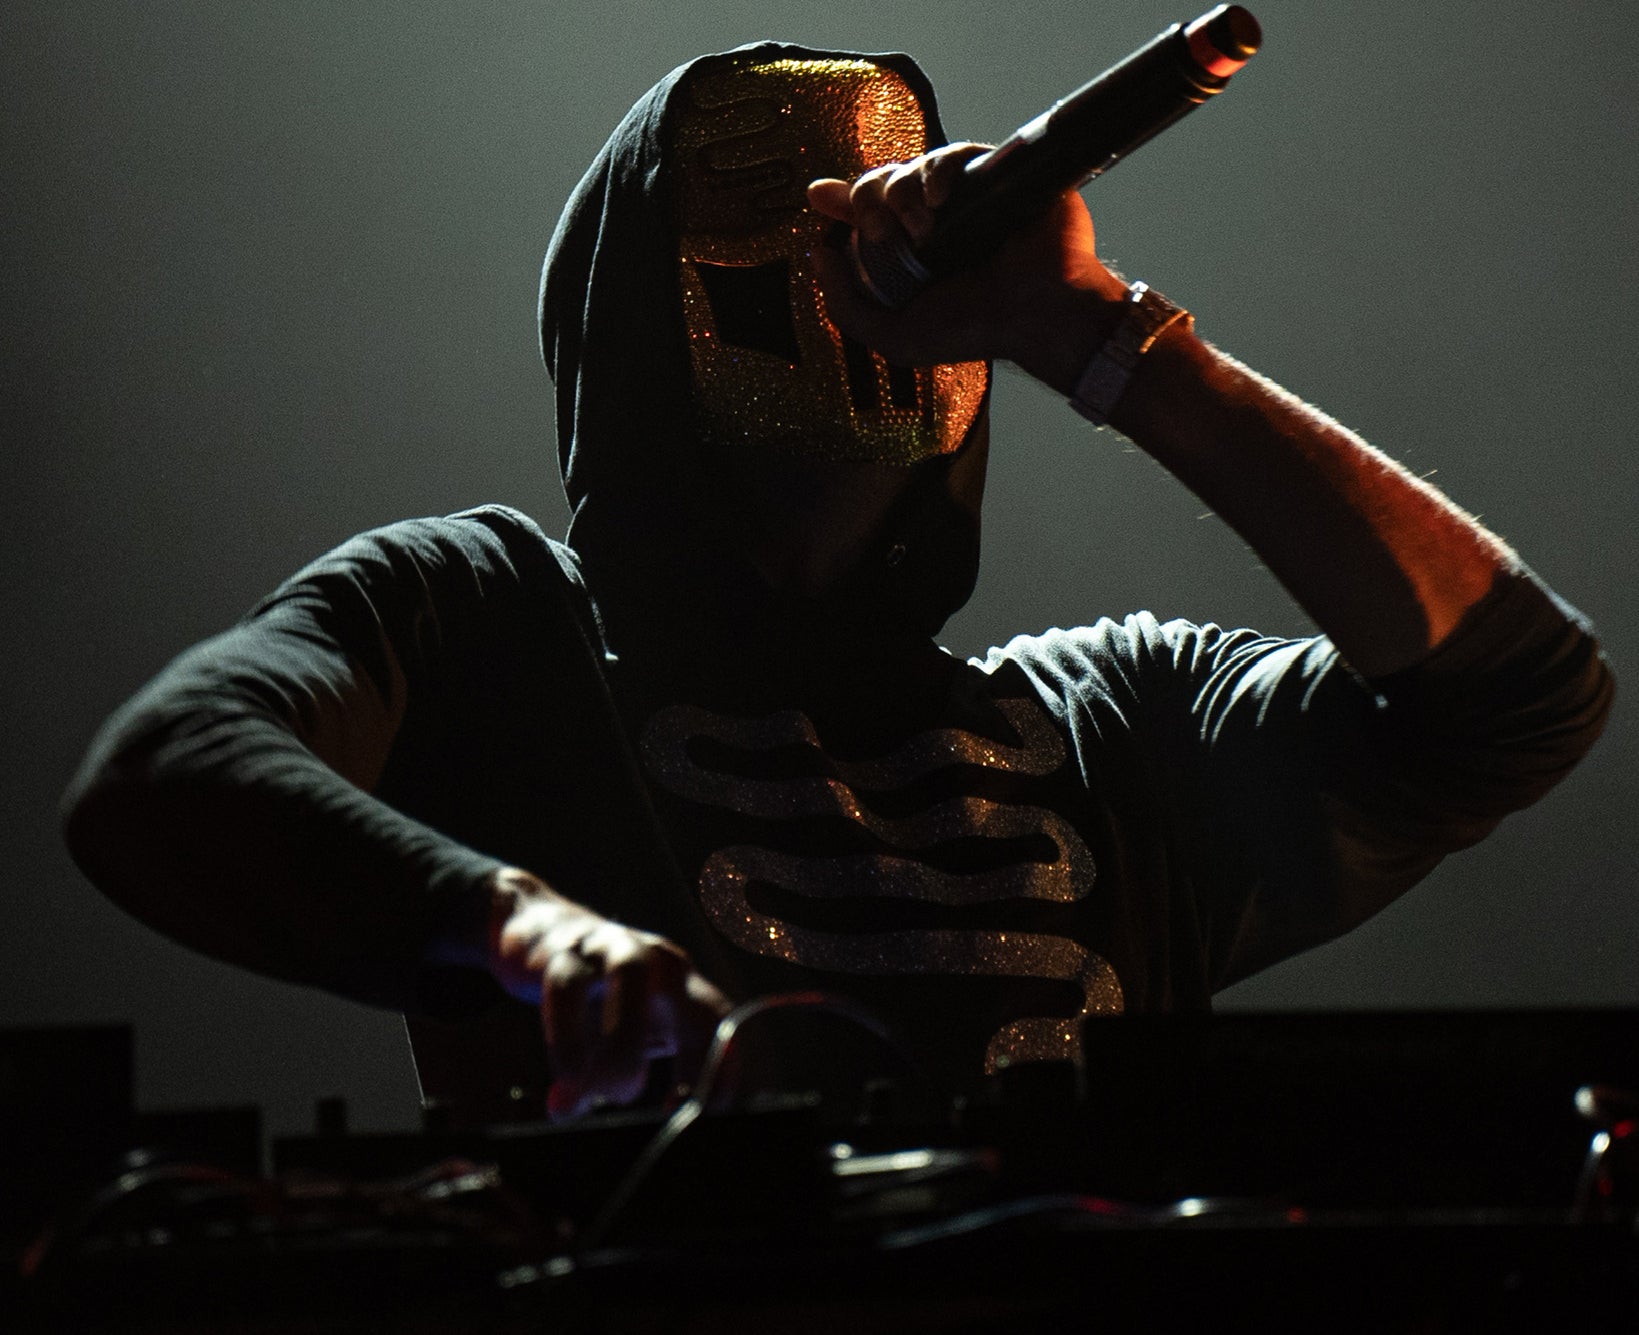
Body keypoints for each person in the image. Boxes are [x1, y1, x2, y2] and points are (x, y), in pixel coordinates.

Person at [63, 44, 1612, 1124]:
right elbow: (168, 769)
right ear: (641, 303)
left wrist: (1099, 336)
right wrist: (524, 933)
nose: (845, 277)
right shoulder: (490, 619)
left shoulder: (1116, 725)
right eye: (766, 219)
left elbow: (1521, 701)